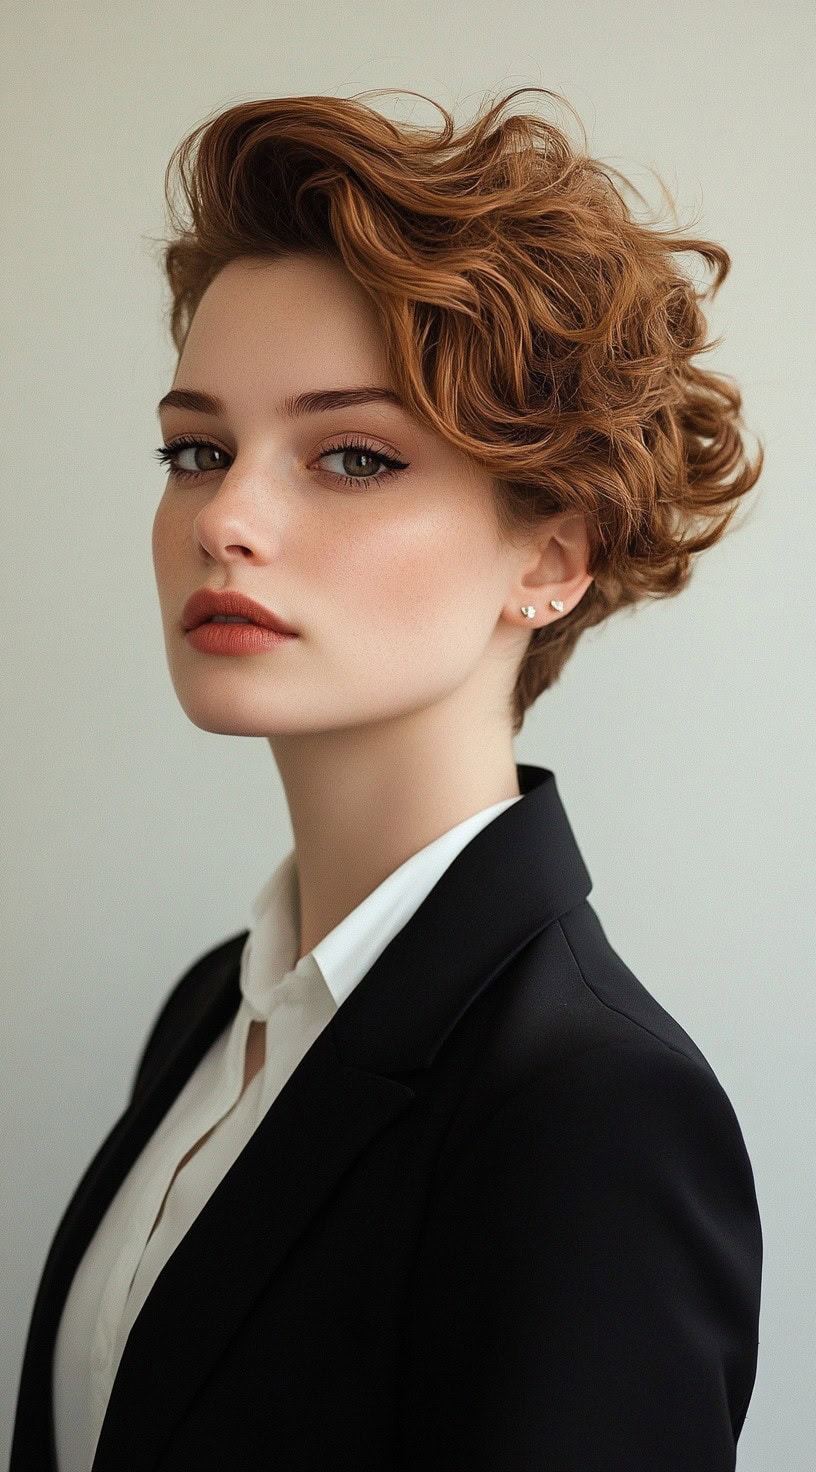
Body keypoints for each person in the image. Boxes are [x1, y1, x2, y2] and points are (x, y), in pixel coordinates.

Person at [11, 86, 764, 1471]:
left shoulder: (591, 1116)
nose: (226, 518)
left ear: (551, 557)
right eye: (197, 449)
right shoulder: (216, 1010)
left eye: (352, 455)